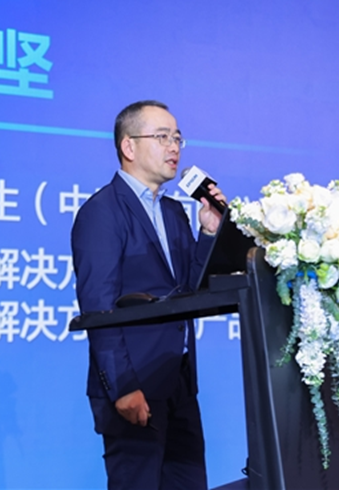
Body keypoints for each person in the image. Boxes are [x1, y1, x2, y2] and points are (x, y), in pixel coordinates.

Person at [71, 100, 226, 490]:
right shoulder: (102, 212)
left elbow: (190, 289)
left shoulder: (174, 212)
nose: (174, 147)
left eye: (177, 138)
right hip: (133, 387)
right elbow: (99, 309)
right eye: (162, 137)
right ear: (129, 146)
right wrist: (123, 387)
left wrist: (209, 233)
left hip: (178, 382)